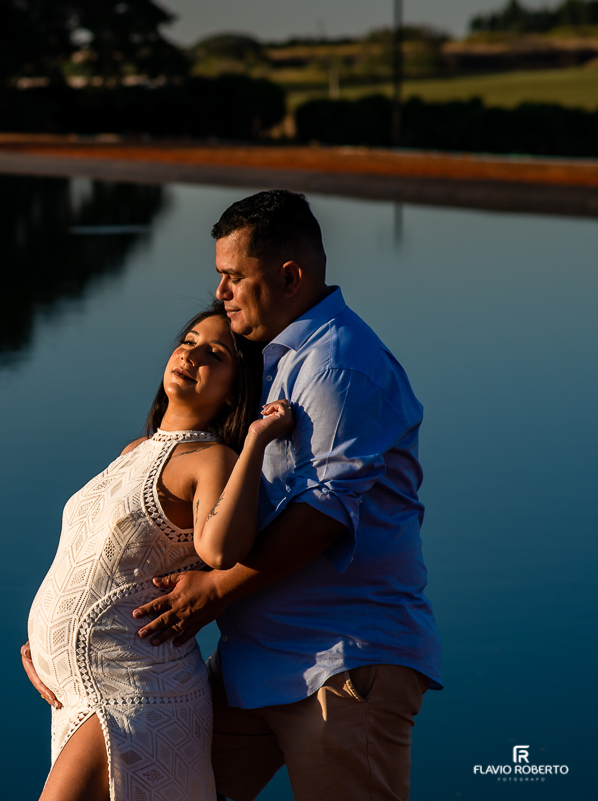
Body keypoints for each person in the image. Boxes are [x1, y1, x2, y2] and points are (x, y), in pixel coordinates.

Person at [129, 190, 442, 801]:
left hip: (339, 662)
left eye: (233, 277)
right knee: (156, 784)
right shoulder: (268, 360)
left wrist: (213, 592)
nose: (220, 292)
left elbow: (324, 512)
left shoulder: (338, 365)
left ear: (290, 277)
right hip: (253, 662)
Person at [23, 304, 292, 801]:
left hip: (132, 691)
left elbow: (219, 549)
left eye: (214, 354)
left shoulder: (211, 458)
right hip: (78, 692)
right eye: (188, 341)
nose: (192, 355)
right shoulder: (134, 451)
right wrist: (42, 639)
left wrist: (255, 441)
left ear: (234, 391)